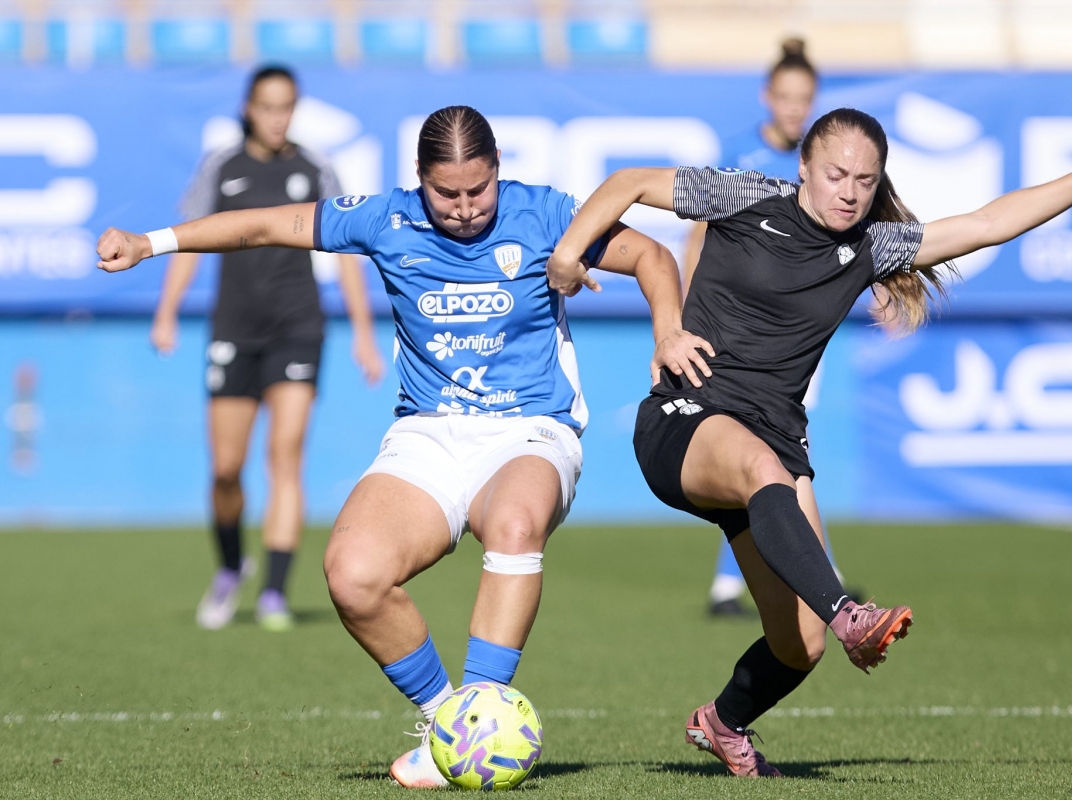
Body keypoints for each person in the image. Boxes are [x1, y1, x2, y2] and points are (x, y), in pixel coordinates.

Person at [96, 105, 711, 788]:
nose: (465, 208)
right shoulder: (385, 219)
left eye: (479, 189)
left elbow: (652, 257)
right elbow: (264, 224)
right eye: (447, 193)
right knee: (352, 576)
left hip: (531, 429)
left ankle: (479, 710)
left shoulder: (546, 214)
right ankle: (453, 727)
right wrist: (150, 242)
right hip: (429, 432)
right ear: (419, 177)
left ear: (497, 170)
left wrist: (667, 331)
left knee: (513, 523)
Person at [548, 109, 1072, 777]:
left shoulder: (873, 246)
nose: (849, 192)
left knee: (800, 645)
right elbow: (630, 183)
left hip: (774, 443)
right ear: (804, 168)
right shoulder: (746, 194)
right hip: (687, 416)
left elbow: (988, 223)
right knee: (770, 486)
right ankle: (849, 614)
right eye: (836, 175)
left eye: (865, 181)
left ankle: (723, 722)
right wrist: (569, 254)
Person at [150, 65, 384, 632]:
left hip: (297, 328)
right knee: (226, 469)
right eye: (268, 107)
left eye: (287, 107)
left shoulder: (315, 168)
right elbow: (190, 239)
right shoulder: (220, 166)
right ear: (248, 109)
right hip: (233, 329)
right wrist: (166, 311)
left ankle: (275, 592)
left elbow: (347, 254)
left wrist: (363, 332)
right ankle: (232, 566)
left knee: (285, 455)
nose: (278, 118)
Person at [684, 37, 835, 617]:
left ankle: (817, 574)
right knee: (768, 454)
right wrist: (687, 317)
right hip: (737, 331)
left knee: (786, 454)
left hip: (796, 334)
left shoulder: (822, 165)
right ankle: (746, 582)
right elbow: (698, 234)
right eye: (786, 97)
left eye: (805, 98)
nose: (795, 108)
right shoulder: (739, 155)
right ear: (767, 96)